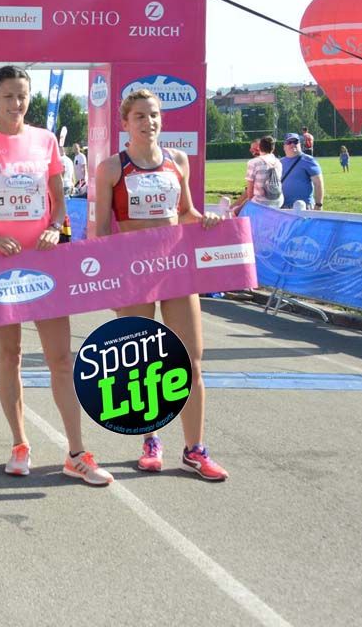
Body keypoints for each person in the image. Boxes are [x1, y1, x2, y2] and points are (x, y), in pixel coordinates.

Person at [0, 66, 111, 485]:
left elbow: (59, 203)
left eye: (23, 96)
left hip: (44, 263)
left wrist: (53, 227)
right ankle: (19, 444)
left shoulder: (45, 141)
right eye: (8, 95)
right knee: (10, 356)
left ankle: (76, 453)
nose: (17, 103)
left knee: (60, 358)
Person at [93, 87, 228, 481]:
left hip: (176, 268)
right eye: (140, 116)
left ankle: (195, 449)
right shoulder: (111, 168)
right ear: (125, 123)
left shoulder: (177, 161)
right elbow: (102, 231)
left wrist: (205, 219)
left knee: (191, 359)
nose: (148, 122)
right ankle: (150, 440)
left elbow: (185, 212)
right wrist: (110, 279)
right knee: (143, 362)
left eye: (153, 115)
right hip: (135, 274)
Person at [232, 135, 283, 213]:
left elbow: (250, 194)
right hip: (278, 202)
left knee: (235, 212)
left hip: (260, 203)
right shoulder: (278, 162)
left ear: (260, 148)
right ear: (273, 148)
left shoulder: (253, 162)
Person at [280, 133, 325, 210]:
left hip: (304, 207)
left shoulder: (309, 160)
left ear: (300, 144)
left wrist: (318, 204)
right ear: (284, 147)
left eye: (295, 142)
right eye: (289, 142)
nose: (292, 144)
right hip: (284, 208)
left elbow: (318, 183)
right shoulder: (279, 162)